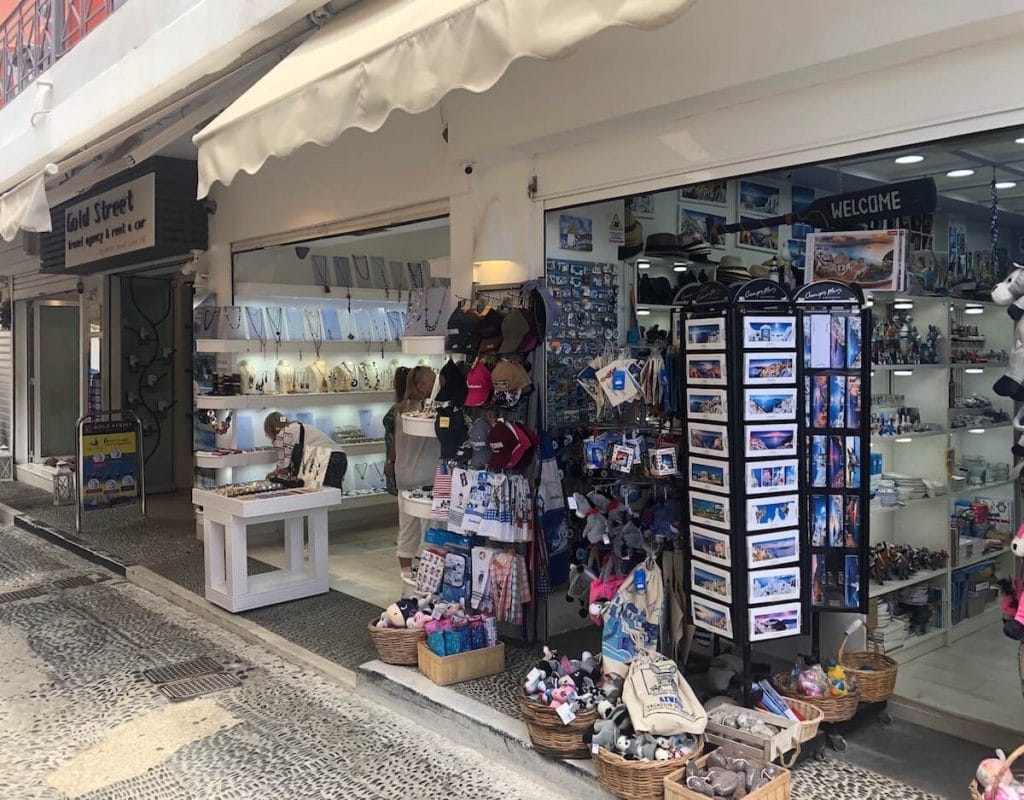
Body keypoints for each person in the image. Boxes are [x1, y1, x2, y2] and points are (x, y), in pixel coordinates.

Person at [393, 365, 439, 585]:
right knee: (431, 529)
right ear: (421, 386)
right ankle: (429, 571)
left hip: (404, 474)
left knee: (407, 525)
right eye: (432, 380)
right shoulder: (431, 410)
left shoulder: (400, 409)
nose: (437, 383)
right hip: (426, 476)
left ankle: (406, 570)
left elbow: (396, 442)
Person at [264, 412, 334, 480]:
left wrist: (270, 476)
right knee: (332, 491)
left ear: (270, 430)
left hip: (322, 458)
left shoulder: (281, 435)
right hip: (339, 456)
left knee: (311, 490)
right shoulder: (299, 426)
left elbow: (283, 470)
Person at [382, 366, 410, 496]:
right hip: (402, 456)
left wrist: (390, 461)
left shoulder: (400, 409)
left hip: (399, 457)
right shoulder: (404, 407)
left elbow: (396, 436)